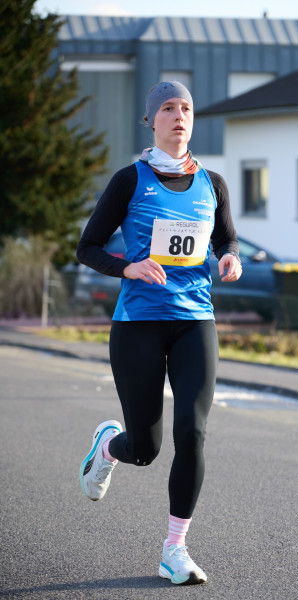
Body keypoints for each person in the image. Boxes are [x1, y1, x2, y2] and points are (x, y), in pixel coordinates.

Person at [77, 80, 242, 586]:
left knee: (192, 431)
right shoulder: (131, 180)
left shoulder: (213, 183)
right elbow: (88, 246)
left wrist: (229, 257)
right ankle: (109, 447)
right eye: (168, 108)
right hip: (139, 325)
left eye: (186, 107)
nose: (179, 115)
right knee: (145, 449)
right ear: (152, 120)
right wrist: (127, 267)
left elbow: (226, 237)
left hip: (195, 322)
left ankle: (175, 548)